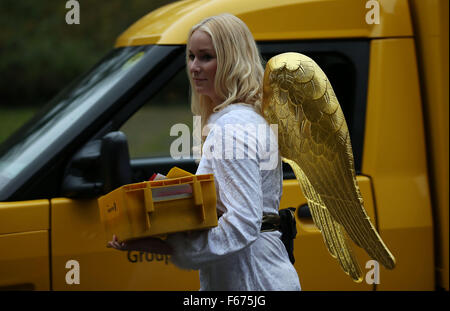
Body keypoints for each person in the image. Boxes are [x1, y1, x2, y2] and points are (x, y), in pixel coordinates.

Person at [108, 13, 301, 291]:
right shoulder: (251, 118)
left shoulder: (231, 128)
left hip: (252, 279)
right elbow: (242, 218)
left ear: (232, 60)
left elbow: (243, 223)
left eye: (206, 57)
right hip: (260, 271)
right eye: (191, 57)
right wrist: (157, 239)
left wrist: (180, 248)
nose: (194, 67)